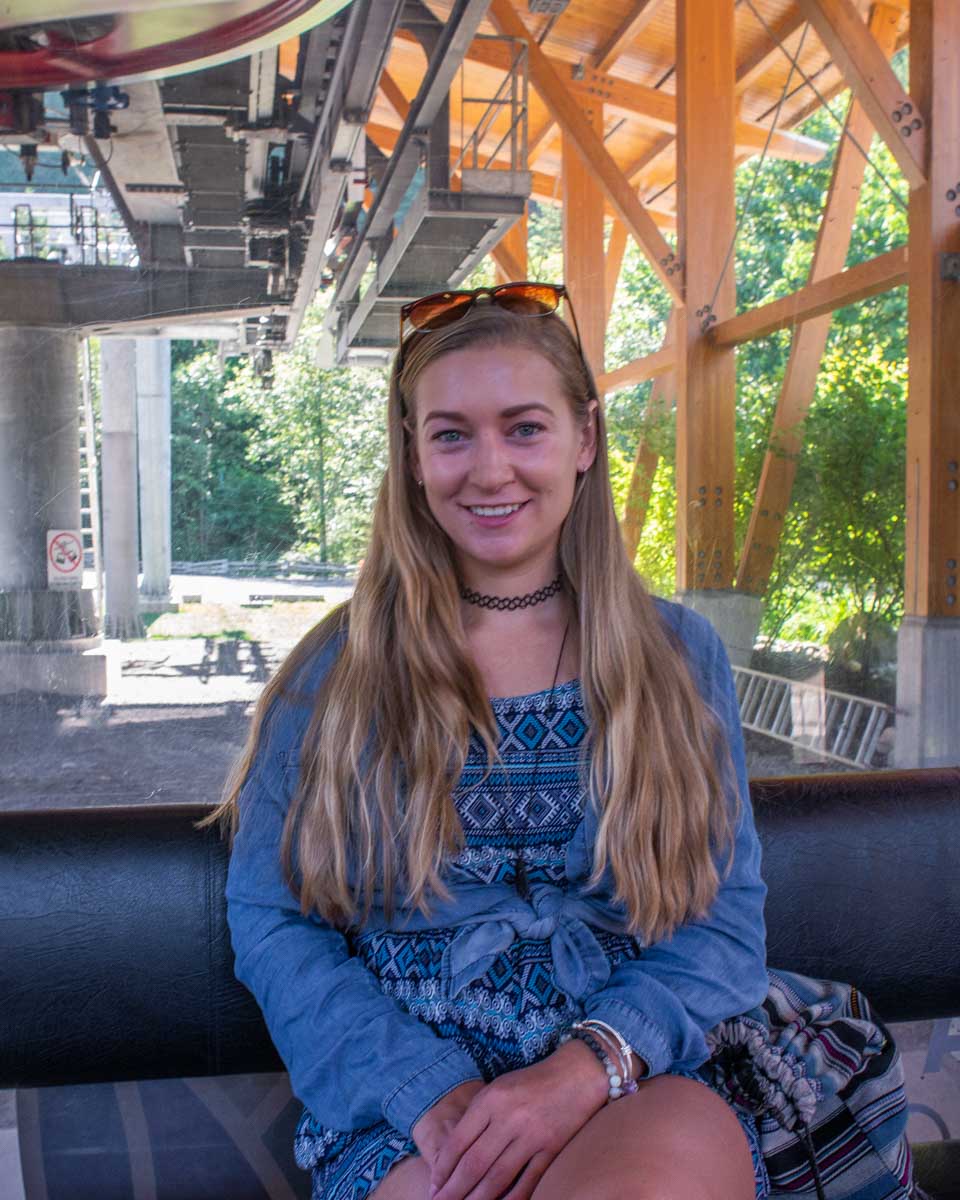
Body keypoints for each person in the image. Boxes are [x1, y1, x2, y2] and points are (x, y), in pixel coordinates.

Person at [217, 282, 771, 1200]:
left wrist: (584, 1069)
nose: (489, 469)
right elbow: (272, 919)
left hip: (638, 1073)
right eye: (451, 434)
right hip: (408, 1111)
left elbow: (724, 918)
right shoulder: (334, 674)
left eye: (524, 428)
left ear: (584, 438)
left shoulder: (678, 656)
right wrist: (425, 1092)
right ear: (412, 455)